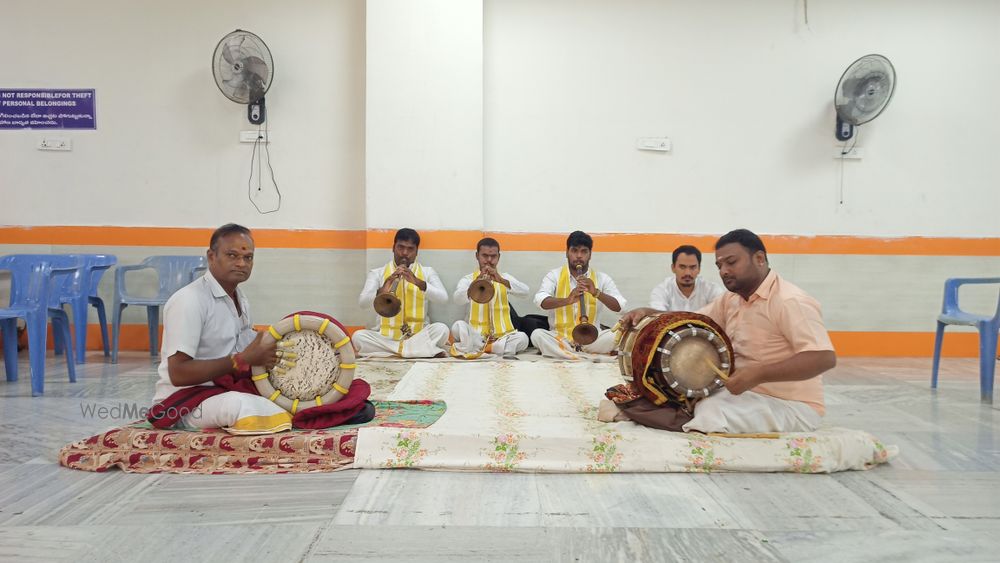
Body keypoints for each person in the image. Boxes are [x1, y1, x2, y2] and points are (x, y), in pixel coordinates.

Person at [617, 229, 836, 433]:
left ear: (759, 258)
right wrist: (650, 313)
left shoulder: (790, 301)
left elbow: (823, 358)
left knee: (711, 411)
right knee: (679, 395)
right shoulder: (732, 299)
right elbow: (691, 321)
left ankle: (675, 421)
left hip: (793, 406)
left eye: (731, 262)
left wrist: (759, 374)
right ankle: (667, 416)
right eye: (719, 265)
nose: (723, 271)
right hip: (745, 395)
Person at [151, 223, 290, 433]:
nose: (241, 263)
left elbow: (245, 347)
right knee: (242, 406)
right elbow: (178, 373)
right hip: (184, 402)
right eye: (232, 255)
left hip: (222, 389)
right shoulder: (188, 301)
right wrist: (241, 360)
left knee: (292, 393)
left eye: (248, 257)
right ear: (211, 256)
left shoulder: (240, 298)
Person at [353, 228, 450, 358]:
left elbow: (443, 299)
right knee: (358, 337)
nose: (405, 253)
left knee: (442, 329)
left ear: (416, 252)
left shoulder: (427, 272)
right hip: (387, 337)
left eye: (410, 249)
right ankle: (419, 351)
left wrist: (418, 283)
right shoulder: (377, 273)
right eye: (401, 247)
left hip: (419, 335)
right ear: (393, 248)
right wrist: (382, 290)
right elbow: (363, 303)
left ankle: (396, 351)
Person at [531, 230, 626, 359]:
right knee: (537, 335)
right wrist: (567, 300)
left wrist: (596, 293)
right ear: (567, 253)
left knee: (621, 334)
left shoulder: (602, 278)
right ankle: (581, 357)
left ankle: (567, 355)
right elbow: (540, 301)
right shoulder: (554, 275)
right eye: (574, 251)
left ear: (590, 254)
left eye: (584, 251)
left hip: (592, 340)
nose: (579, 256)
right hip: (561, 338)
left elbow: (621, 307)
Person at [451, 237, 530, 358]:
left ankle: (481, 348)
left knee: (523, 339)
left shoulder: (504, 277)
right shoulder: (468, 279)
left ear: (499, 257)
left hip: (501, 336)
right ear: (477, 256)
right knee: (458, 326)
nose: (489, 260)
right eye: (485, 256)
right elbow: (457, 299)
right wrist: (474, 284)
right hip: (476, 335)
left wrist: (502, 281)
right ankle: (493, 349)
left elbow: (526, 292)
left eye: (493, 256)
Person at [649, 244, 724, 312]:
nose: (687, 273)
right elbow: (657, 316)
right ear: (673, 268)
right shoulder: (662, 290)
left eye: (692, 267)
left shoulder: (711, 289)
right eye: (682, 267)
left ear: (699, 269)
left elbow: (722, 313)